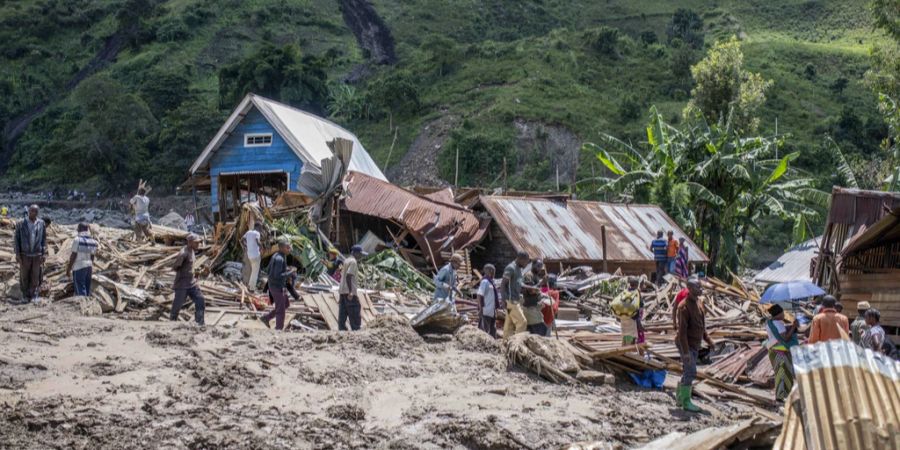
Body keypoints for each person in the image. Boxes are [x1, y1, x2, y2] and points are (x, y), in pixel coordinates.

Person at [675, 276, 714, 412]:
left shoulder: (699, 303)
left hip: (695, 343)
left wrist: (708, 340)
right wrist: (685, 352)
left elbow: (701, 326)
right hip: (685, 343)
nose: (701, 288)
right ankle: (686, 401)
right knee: (691, 372)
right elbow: (682, 333)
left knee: (687, 371)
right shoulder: (683, 307)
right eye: (698, 286)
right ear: (690, 289)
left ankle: (679, 398)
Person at [169, 234, 205, 325]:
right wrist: (185, 272)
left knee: (200, 299)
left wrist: (194, 272)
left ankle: (199, 323)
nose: (198, 244)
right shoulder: (183, 254)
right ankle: (172, 323)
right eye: (196, 243)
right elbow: (175, 267)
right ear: (190, 242)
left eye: (198, 243)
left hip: (191, 283)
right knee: (177, 305)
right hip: (182, 284)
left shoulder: (192, 251)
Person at [765, 304, 799, 401]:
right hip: (780, 351)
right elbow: (785, 338)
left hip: (773, 350)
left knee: (781, 372)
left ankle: (785, 395)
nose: (784, 314)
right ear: (778, 314)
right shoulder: (778, 324)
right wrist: (793, 327)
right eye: (782, 312)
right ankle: (780, 396)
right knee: (783, 372)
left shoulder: (769, 323)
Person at [14, 205, 47, 303]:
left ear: (38, 212)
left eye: (35, 211)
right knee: (24, 276)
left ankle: (34, 296)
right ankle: (25, 296)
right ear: (28, 211)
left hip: (37, 255)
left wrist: (44, 253)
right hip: (25, 254)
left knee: (35, 276)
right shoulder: (20, 223)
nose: (33, 213)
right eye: (32, 211)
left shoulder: (41, 223)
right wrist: (17, 254)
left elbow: (44, 239)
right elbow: (16, 239)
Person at [261, 238, 295, 330]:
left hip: (276, 285)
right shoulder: (279, 259)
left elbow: (269, 270)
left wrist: (286, 269)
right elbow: (277, 275)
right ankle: (278, 329)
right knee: (281, 310)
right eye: (288, 247)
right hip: (277, 287)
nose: (289, 249)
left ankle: (266, 318)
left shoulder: (277, 255)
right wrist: (290, 273)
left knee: (285, 304)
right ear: (282, 248)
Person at [501, 251, 530, 336]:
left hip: (515, 300)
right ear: (520, 259)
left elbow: (519, 284)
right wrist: (504, 300)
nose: (526, 264)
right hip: (511, 301)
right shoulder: (511, 268)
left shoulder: (518, 269)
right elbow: (503, 285)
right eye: (526, 262)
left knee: (509, 326)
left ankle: (506, 344)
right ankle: (517, 343)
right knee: (522, 322)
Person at [338, 245, 365, 331]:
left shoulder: (346, 260)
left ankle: (342, 332)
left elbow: (343, 275)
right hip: (349, 292)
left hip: (342, 292)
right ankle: (356, 332)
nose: (361, 256)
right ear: (356, 253)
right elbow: (349, 276)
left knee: (342, 315)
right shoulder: (353, 262)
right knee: (355, 313)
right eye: (360, 254)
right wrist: (351, 291)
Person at [65, 223, 98, 296]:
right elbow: (92, 256)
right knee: (86, 287)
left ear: (79, 229)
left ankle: (82, 306)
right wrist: (90, 265)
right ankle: (87, 304)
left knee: (80, 288)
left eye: (78, 228)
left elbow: (73, 255)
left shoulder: (77, 240)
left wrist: (69, 269)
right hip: (89, 267)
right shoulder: (93, 241)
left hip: (79, 267)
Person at [611, 277, 641, 345]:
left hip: (623, 315)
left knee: (625, 333)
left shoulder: (625, 291)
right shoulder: (636, 292)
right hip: (632, 316)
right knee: (632, 335)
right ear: (637, 284)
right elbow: (639, 306)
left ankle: (624, 348)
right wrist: (639, 322)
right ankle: (629, 350)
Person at [522, 261, 548, 336]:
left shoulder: (535, 276)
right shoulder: (529, 275)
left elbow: (537, 289)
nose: (539, 268)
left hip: (535, 307)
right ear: (533, 265)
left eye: (540, 266)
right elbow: (531, 291)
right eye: (538, 266)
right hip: (530, 307)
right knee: (541, 329)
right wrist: (542, 282)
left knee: (536, 330)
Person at [476, 264, 499, 338]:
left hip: (491, 312)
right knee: (483, 333)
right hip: (485, 311)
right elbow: (479, 295)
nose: (494, 273)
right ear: (490, 271)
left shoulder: (491, 283)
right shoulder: (485, 282)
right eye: (494, 271)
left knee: (492, 331)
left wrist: (495, 309)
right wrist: (480, 309)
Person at [241, 225, 262, 292]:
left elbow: (242, 240)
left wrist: (246, 246)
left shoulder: (248, 232)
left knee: (253, 271)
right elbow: (257, 241)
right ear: (258, 227)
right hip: (256, 255)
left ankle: (250, 285)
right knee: (255, 273)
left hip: (249, 255)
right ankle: (252, 288)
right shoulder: (257, 233)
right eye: (260, 228)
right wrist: (262, 246)